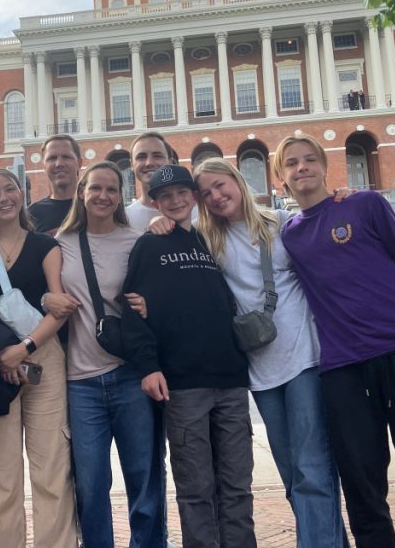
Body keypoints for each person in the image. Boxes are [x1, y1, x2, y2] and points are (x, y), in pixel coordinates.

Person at [274, 133, 395, 548]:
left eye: (309, 159)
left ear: (326, 166)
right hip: (343, 373)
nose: (302, 167)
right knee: (362, 488)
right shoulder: (288, 236)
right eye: (291, 163)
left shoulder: (365, 205)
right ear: (280, 178)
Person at [191, 158, 349, 548]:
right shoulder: (206, 238)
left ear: (237, 181)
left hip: (304, 360)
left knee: (312, 469)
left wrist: (344, 199)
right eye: (206, 192)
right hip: (259, 370)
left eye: (220, 185)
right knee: (292, 474)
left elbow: (332, 244)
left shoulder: (282, 224)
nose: (215, 195)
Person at [122, 165, 254, 548]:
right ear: (155, 203)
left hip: (229, 380)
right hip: (182, 385)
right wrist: (149, 366)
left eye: (182, 193)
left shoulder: (211, 239)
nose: (176, 201)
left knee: (237, 485)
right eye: (166, 196)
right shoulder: (149, 245)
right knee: (195, 488)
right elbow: (132, 309)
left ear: (193, 197)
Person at [0, 168, 79, 548]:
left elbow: (58, 308)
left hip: (43, 359)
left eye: (9, 188)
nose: (3, 197)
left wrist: (23, 349)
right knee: (0, 474)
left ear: (22, 194)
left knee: (51, 470)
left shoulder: (46, 246)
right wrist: (2, 355)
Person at [56, 162, 166, 548]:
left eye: (112, 190)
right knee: (90, 482)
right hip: (80, 381)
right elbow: (41, 294)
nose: (103, 196)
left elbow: (161, 296)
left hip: (130, 375)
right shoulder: (59, 242)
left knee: (144, 476)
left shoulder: (137, 240)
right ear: (82, 192)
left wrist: (152, 305)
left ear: (121, 197)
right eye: (96, 188)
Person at [28, 134, 82, 234]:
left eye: (66, 157)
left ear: (79, 163)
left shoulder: (92, 207)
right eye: (52, 158)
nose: (59, 164)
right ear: (44, 166)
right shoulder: (32, 214)